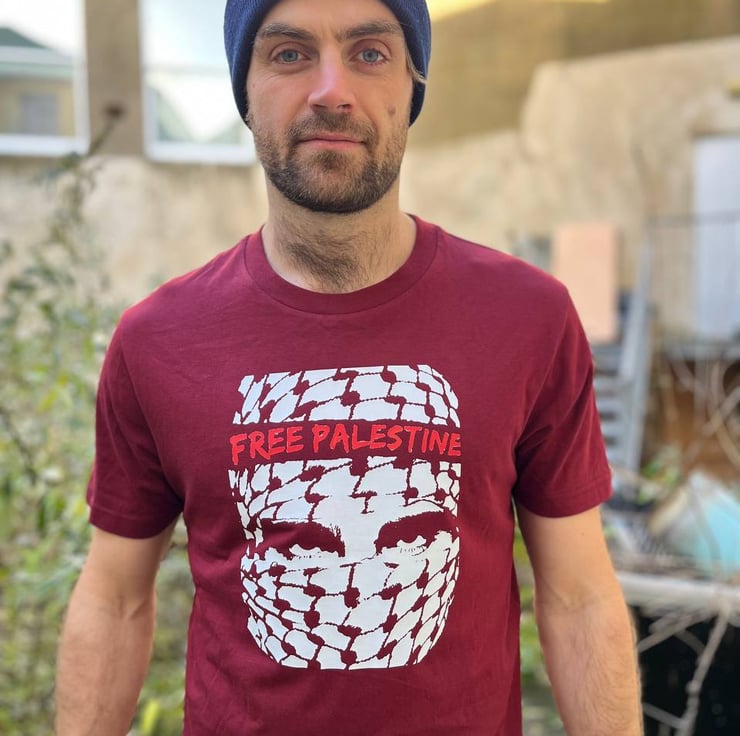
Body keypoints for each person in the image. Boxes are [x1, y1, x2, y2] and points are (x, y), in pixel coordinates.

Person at [55, 0, 643, 733]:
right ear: (245, 91)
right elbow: (114, 600)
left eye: (369, 53)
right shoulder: (158, 340)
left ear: (412, 85)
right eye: (289, 54)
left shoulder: (529, 318)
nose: (331, 90)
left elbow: (579, 598)